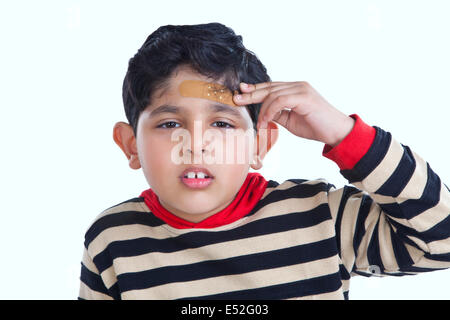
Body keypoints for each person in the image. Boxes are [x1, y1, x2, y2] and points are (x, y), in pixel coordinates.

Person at [78, 22, 450, 300]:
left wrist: (344, 134)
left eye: (222, 123)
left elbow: (442, 241)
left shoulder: (323, 218)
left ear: (261, 143)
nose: (195, 144)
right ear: (130, 145)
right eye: (170, 123)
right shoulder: (114, 240)